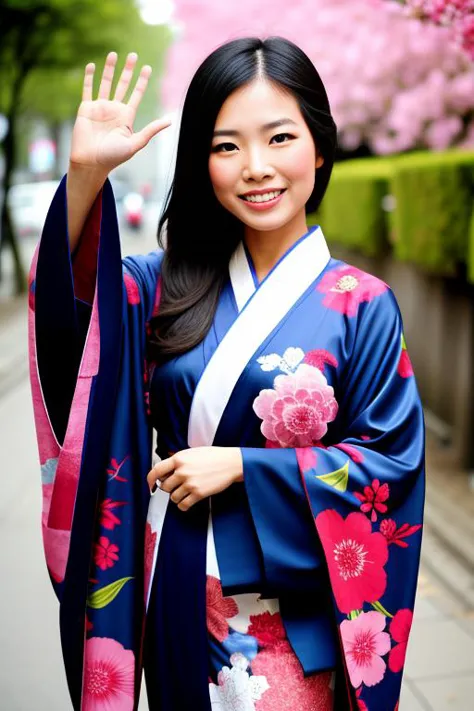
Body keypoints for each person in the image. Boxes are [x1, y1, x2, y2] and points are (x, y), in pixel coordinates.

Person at [28, 37, 425, 711]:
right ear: (203, 162)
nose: (256, 167)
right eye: (227, 146)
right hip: (180, 588)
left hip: (295, 617)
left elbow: (391, 464)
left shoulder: (363, 304)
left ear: (320, 147)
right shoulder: (160, 284)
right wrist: (87, 180)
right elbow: (72, 332)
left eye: (279, 138)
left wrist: (244, 464)